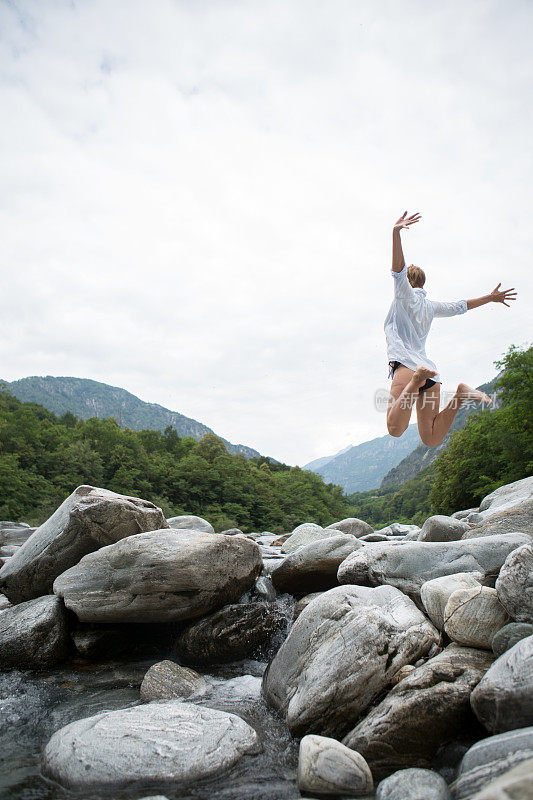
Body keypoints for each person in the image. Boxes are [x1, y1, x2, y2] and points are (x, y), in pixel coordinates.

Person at [385, 211, 517, 447]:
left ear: (410, 282)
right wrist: (490, 297)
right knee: (432, 438)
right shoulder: (431, 306)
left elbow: (398, 271)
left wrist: (396, 234)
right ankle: (460, 395)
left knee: (395, 429)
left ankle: (415, 382)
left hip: (407, 367)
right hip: (430, 372)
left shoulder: (403, 295)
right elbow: (459, 306)